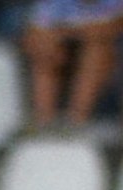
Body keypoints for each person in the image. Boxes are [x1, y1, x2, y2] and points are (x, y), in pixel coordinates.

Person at [25, 0, 123, 130]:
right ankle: (44, 123)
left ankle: (76, 122)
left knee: (97, 52)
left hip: (109, 56)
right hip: (69, 53)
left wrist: (66, 31)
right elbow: (35, 34)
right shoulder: (55, 3)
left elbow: (111, 28)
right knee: (44, 50)